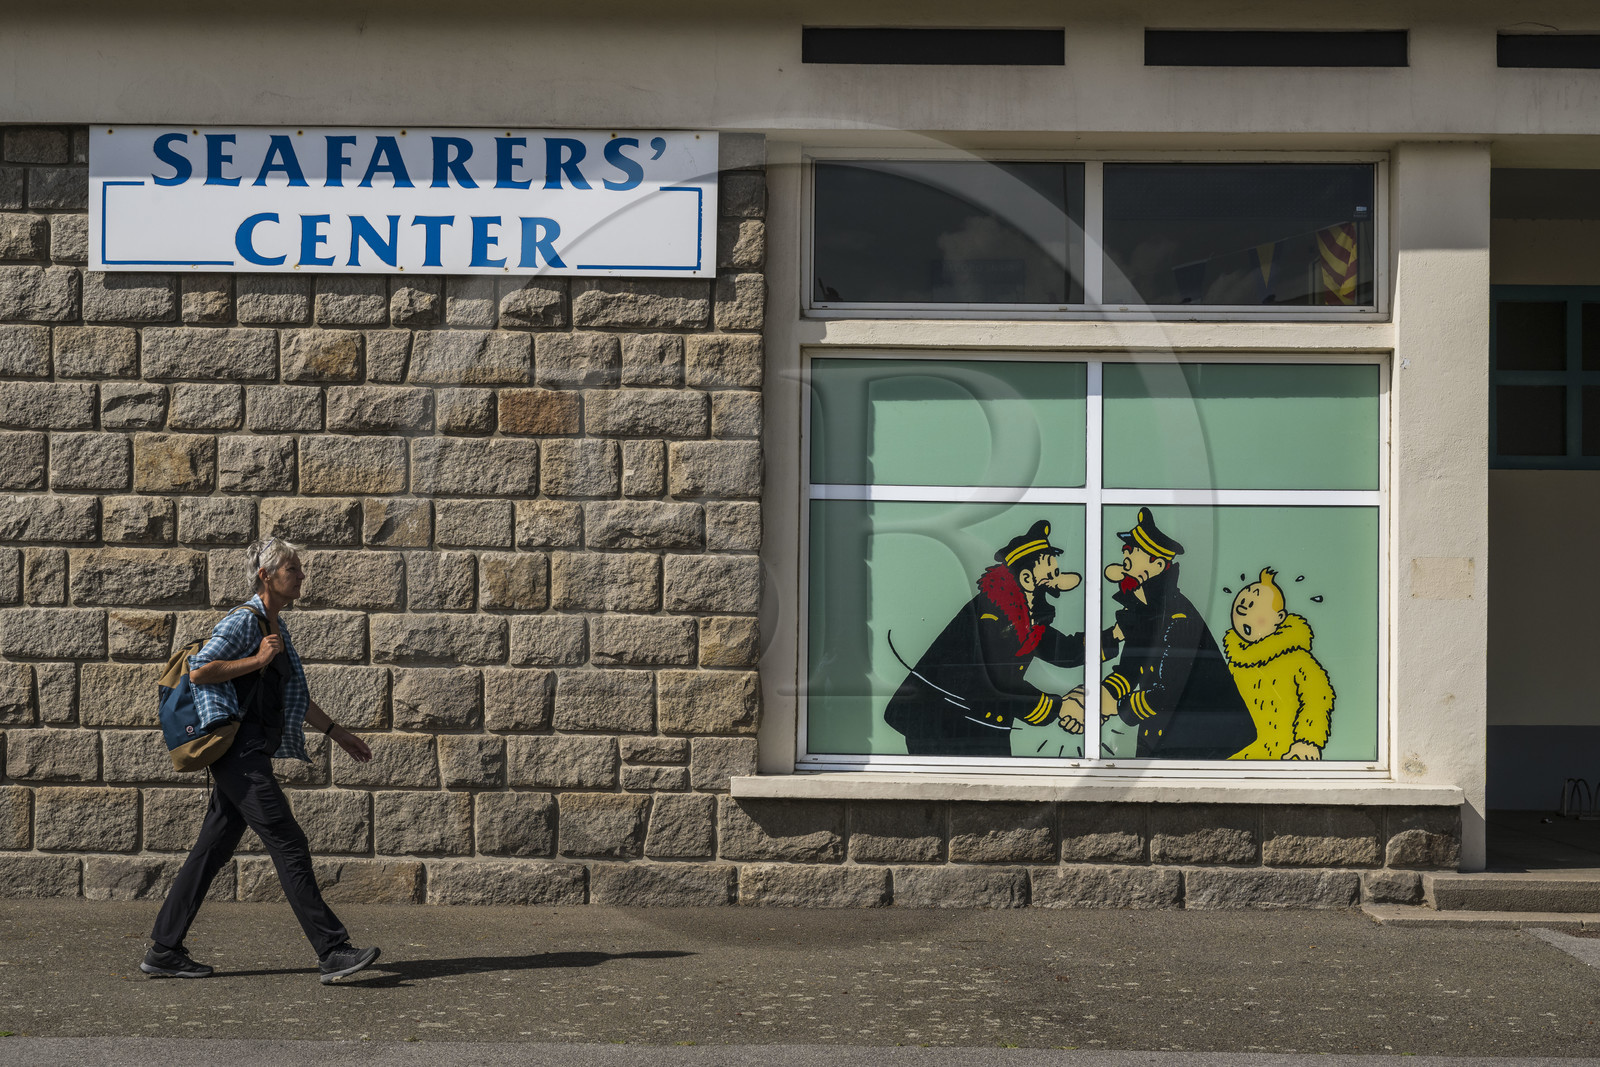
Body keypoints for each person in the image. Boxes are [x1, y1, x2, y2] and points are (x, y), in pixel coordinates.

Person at [141, 538, 383, 983]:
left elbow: (294, 695)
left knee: (211, 850)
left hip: (252, 752)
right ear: (266, 575)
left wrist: (336, 733)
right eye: (293, 567)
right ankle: (332, 950)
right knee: (288, 841)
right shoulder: (244, 621)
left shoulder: (276, 625)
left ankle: (164, 949)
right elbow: (199, 670)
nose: (301, 575)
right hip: (238, 753)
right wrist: (257, 659)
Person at [884, 519, 1118, 757]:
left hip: (973, 719)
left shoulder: (1024, 617)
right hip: (943, 719)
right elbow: (998, 680)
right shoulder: (994, 615)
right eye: (1052, 573)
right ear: (1027, 579)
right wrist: (1059, 707)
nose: (1059, 581)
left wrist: (1115, 635)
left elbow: (1061, 650)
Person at [1084, 508, 1256, 760]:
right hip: (1169, 733)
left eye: (1135, 550)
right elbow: (1130, 668)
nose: (1126, 553)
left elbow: (1168, 691)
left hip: (1208, 739)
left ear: (1157, 564)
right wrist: (1106, 695)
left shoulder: (1178, 617)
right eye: (1128, 548)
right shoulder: (1143, 612)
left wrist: (1119, 708)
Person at [1224, 567, 1335, 760]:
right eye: (1242, 601)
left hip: (1283, 759)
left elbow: (1318, 697)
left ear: (1279, 618)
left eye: (1253, 603)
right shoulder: (1236, 663)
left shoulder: (1296, 659)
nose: (1244, 606)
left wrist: (1307, 742)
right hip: (1237, 760)